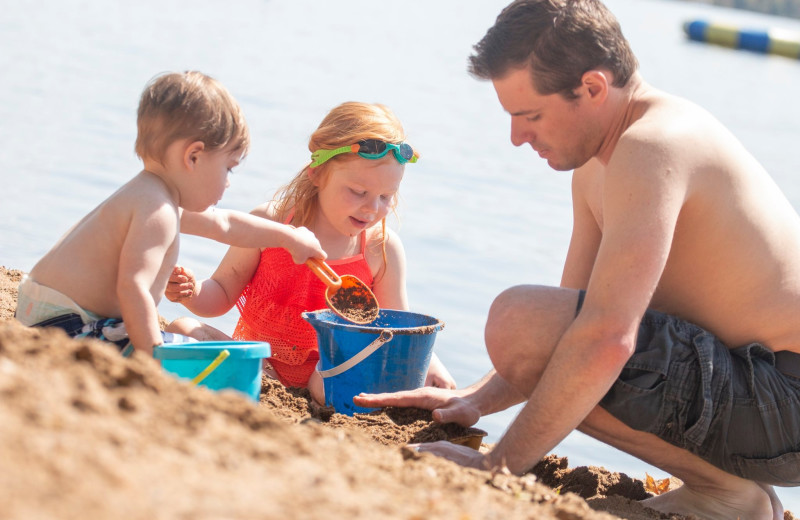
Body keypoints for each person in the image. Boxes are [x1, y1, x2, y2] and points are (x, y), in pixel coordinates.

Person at [354, 1, 800, 519]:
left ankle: (726, 494)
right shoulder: (600, 163)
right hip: (753, 392)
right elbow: (569, 326)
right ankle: (726, 486)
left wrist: (498, 467)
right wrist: (476, 399)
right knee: (539, 326)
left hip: (784, 400)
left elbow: (602, 340)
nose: (517, 137)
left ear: (591, 87)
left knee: (519, 318)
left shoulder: (654, 146)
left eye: (530, 116)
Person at [15, 71, 326, 358]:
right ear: (193, 156)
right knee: (186, 356)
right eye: (228, 168)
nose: (229, 181)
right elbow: (134, 289)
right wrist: (153, 357)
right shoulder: (159, 211)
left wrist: (289, 237)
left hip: (47, 314)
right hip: (65, 329)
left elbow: (225, 224)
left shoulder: (150, 194)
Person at [164, 101, 456, 402]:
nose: (372, 208)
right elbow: (222, 292)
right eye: (358, 192)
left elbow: (395, 330)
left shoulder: (380, 248)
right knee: (183, 329)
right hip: (260, 367)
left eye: (386, 196)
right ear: (316, 174)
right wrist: (192, 290)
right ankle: (261, 390)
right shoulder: (270, 224)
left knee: (321, 379)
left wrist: (431, 363)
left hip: (330, 380)